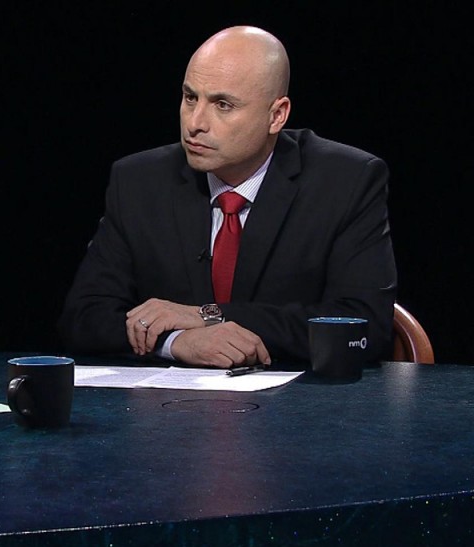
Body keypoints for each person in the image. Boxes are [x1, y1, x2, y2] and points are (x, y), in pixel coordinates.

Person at [58, 26, 397, 367]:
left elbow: (363, 327)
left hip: (300, 408)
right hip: (169, 411)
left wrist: (209, 315)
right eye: (190, 97)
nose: (195, 123)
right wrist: (177, 342)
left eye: (223, 104)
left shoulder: (346, 181)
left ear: (276, 115)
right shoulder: (138, 181)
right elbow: (85, 316)